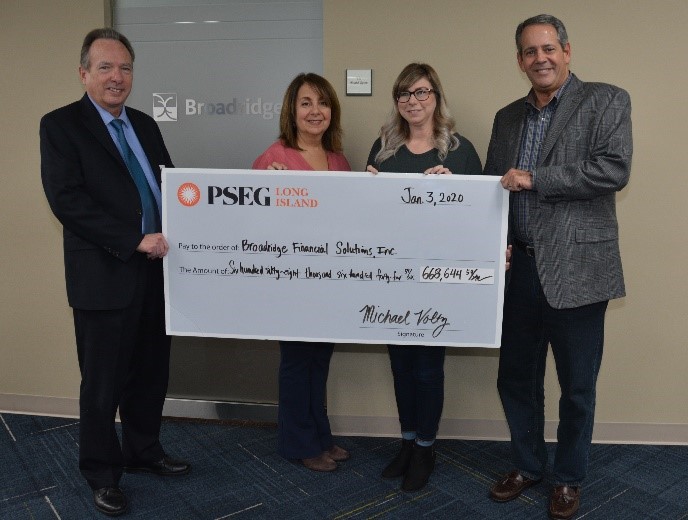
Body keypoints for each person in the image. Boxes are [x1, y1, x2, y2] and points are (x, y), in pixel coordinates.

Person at [484, 14, 632, 520]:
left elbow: (613, 168)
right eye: (529, 51)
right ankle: (528, 465)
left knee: (578, 386)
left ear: (567, 51)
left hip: (579, 270)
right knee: (515, 380)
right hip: (518, 272)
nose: (539, 58)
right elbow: (493, 188)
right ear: (520, 60)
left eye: (548, 48)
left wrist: (537, 179)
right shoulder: (507, 117)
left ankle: (568, 478)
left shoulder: (607, 100)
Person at [40, 28, 190, 517]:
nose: (116, 77)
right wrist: (132, 239)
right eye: (105, 67)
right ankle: (101, 474)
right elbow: (68, 201)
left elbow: (169, 185)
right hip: (105, 274)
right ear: (84, 73)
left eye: (124, 67)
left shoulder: (144, 125)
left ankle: (144, 452)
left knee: (150, 372)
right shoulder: (60, 126)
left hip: (155, 273)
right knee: (102, 382)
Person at [366, 63, 482, 492]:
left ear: (436, 96)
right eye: (404, 95)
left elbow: (481, 219)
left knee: (428, 368)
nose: (413, 102)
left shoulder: (460, 150)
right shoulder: (384, 149)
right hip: (392, 277)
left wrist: (457, 189)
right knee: (400, 364)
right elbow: (368, 219)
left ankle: (427, 448)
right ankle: (409, 441)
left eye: (421, 92)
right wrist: (367, 189)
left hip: (438, 278)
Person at [253, 73, 351, 472]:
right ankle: (299, 444)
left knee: (318, 362)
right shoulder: (273, 160)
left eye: (323, 103)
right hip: (291, 283)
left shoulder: (339, 160)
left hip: (330, 280)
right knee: (297, 363)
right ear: (291, 111)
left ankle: (320, 437)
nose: (316, 111)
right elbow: (254, 227)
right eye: (306, 103)